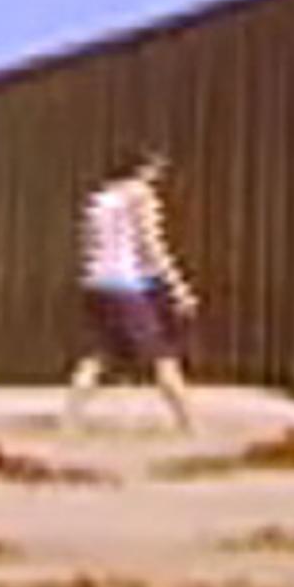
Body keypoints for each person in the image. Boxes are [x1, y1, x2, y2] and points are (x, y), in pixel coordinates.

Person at [63, 150, 200, 434]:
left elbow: (94, 248)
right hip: (126, 285)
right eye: (155, 172)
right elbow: (151, 245)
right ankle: (189, 423)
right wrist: (178, 287)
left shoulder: (99, 199)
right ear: (144, 170)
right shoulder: (139, 196)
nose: (156, 180)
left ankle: (69, 419)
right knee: (162, 355)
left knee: (98, 354)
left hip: (97, 284)